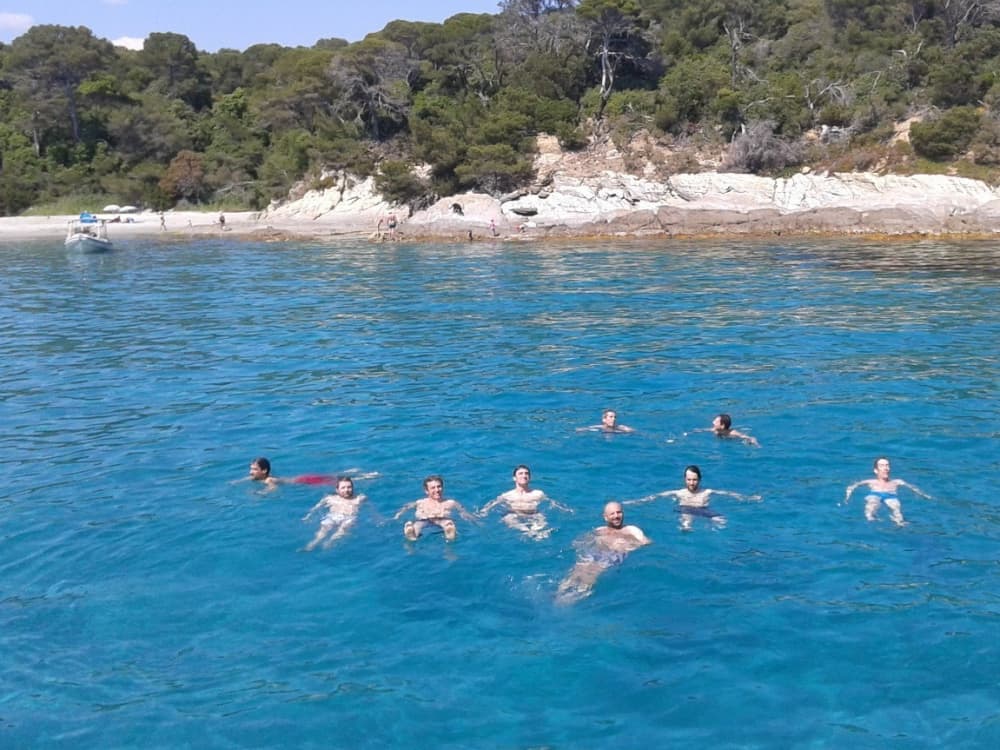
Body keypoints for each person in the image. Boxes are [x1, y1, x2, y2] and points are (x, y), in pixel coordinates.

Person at [556, 502, 650, 604]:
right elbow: (583, 541)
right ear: (605, 517)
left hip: (613, 555)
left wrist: (628, 544)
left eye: (619, 512)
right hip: (594, 553)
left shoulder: (631, 530)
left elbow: (646, 543)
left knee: (590, 576)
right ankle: (558, 594)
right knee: (576, 572)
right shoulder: (600, 530)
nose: (616, 516)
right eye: (612, 514)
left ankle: (568, 601)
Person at [627, 465, 761, 530]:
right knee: (686, 519)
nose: (692, 483)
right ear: (685, 479)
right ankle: (686, 527)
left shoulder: (706, 492)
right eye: (689, 480)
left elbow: (728, 494)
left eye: (695, 480)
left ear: (700, 480)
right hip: (685, 509)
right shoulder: (680, 493)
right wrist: (636, 502)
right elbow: (655, 497)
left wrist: (748, 498)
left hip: (704, 510)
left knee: (721, 521)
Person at [478, 465, 573, 540]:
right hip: (514, 514)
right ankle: (526, 531)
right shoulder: (507, 495)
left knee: (541, 520)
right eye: (520, 473)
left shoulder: (538, 493)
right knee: (508, 518)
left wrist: (564, 509)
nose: (524, 476)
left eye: (526, 474)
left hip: (534, 514)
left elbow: (551, 502)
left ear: (530, 477)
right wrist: (484, 512)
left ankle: (535, 532)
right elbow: (493, 503)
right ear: (514, 478)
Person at [844, 457, 931, 526]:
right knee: (872, 503)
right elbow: (852, 486)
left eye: (887, 465)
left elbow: (913, 488)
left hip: (891, 495)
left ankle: (899, 523)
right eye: (882, 465)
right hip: (875, 494)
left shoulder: (897, 482)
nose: (885, 468)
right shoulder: (870, 481)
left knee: (896, 508)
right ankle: (871, 519)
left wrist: (924, 495)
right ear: (875, 470)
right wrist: (847, 497)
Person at [393, 475, 476, 541]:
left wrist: (471, 518)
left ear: (442, 488)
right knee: (417, 525)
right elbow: (406, 507)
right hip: (424, 520)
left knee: (448, 523)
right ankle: (412, 535)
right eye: (433, 488)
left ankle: (449, 533)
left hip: (442, 519)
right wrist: (397, 515)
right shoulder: (420, 502)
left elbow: (463, 512)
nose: (437, 490)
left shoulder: (451, 503)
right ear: (426, 491)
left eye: (439, 486)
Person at [302, 477, 366, 550]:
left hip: (348, 518)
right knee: (323, 531)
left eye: (349, 487)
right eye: (343, 488)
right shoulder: (330, 498)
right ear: (337, 490)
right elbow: (317, 507)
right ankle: (312, 545)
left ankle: (329, 543)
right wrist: (308, 516)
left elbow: (370, 508)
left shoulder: (359, 498)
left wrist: (377, 517)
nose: (346, 490)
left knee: (342, 530)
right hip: (333, 516)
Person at [693, 413, 759, 447]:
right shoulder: (715, 430)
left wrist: (756, 444)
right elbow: (705, 430)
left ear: (722, 425)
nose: (713, 422)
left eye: (716, 421)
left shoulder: (733, 433)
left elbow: (750, 437)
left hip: (735, 440)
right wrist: (693, 432)